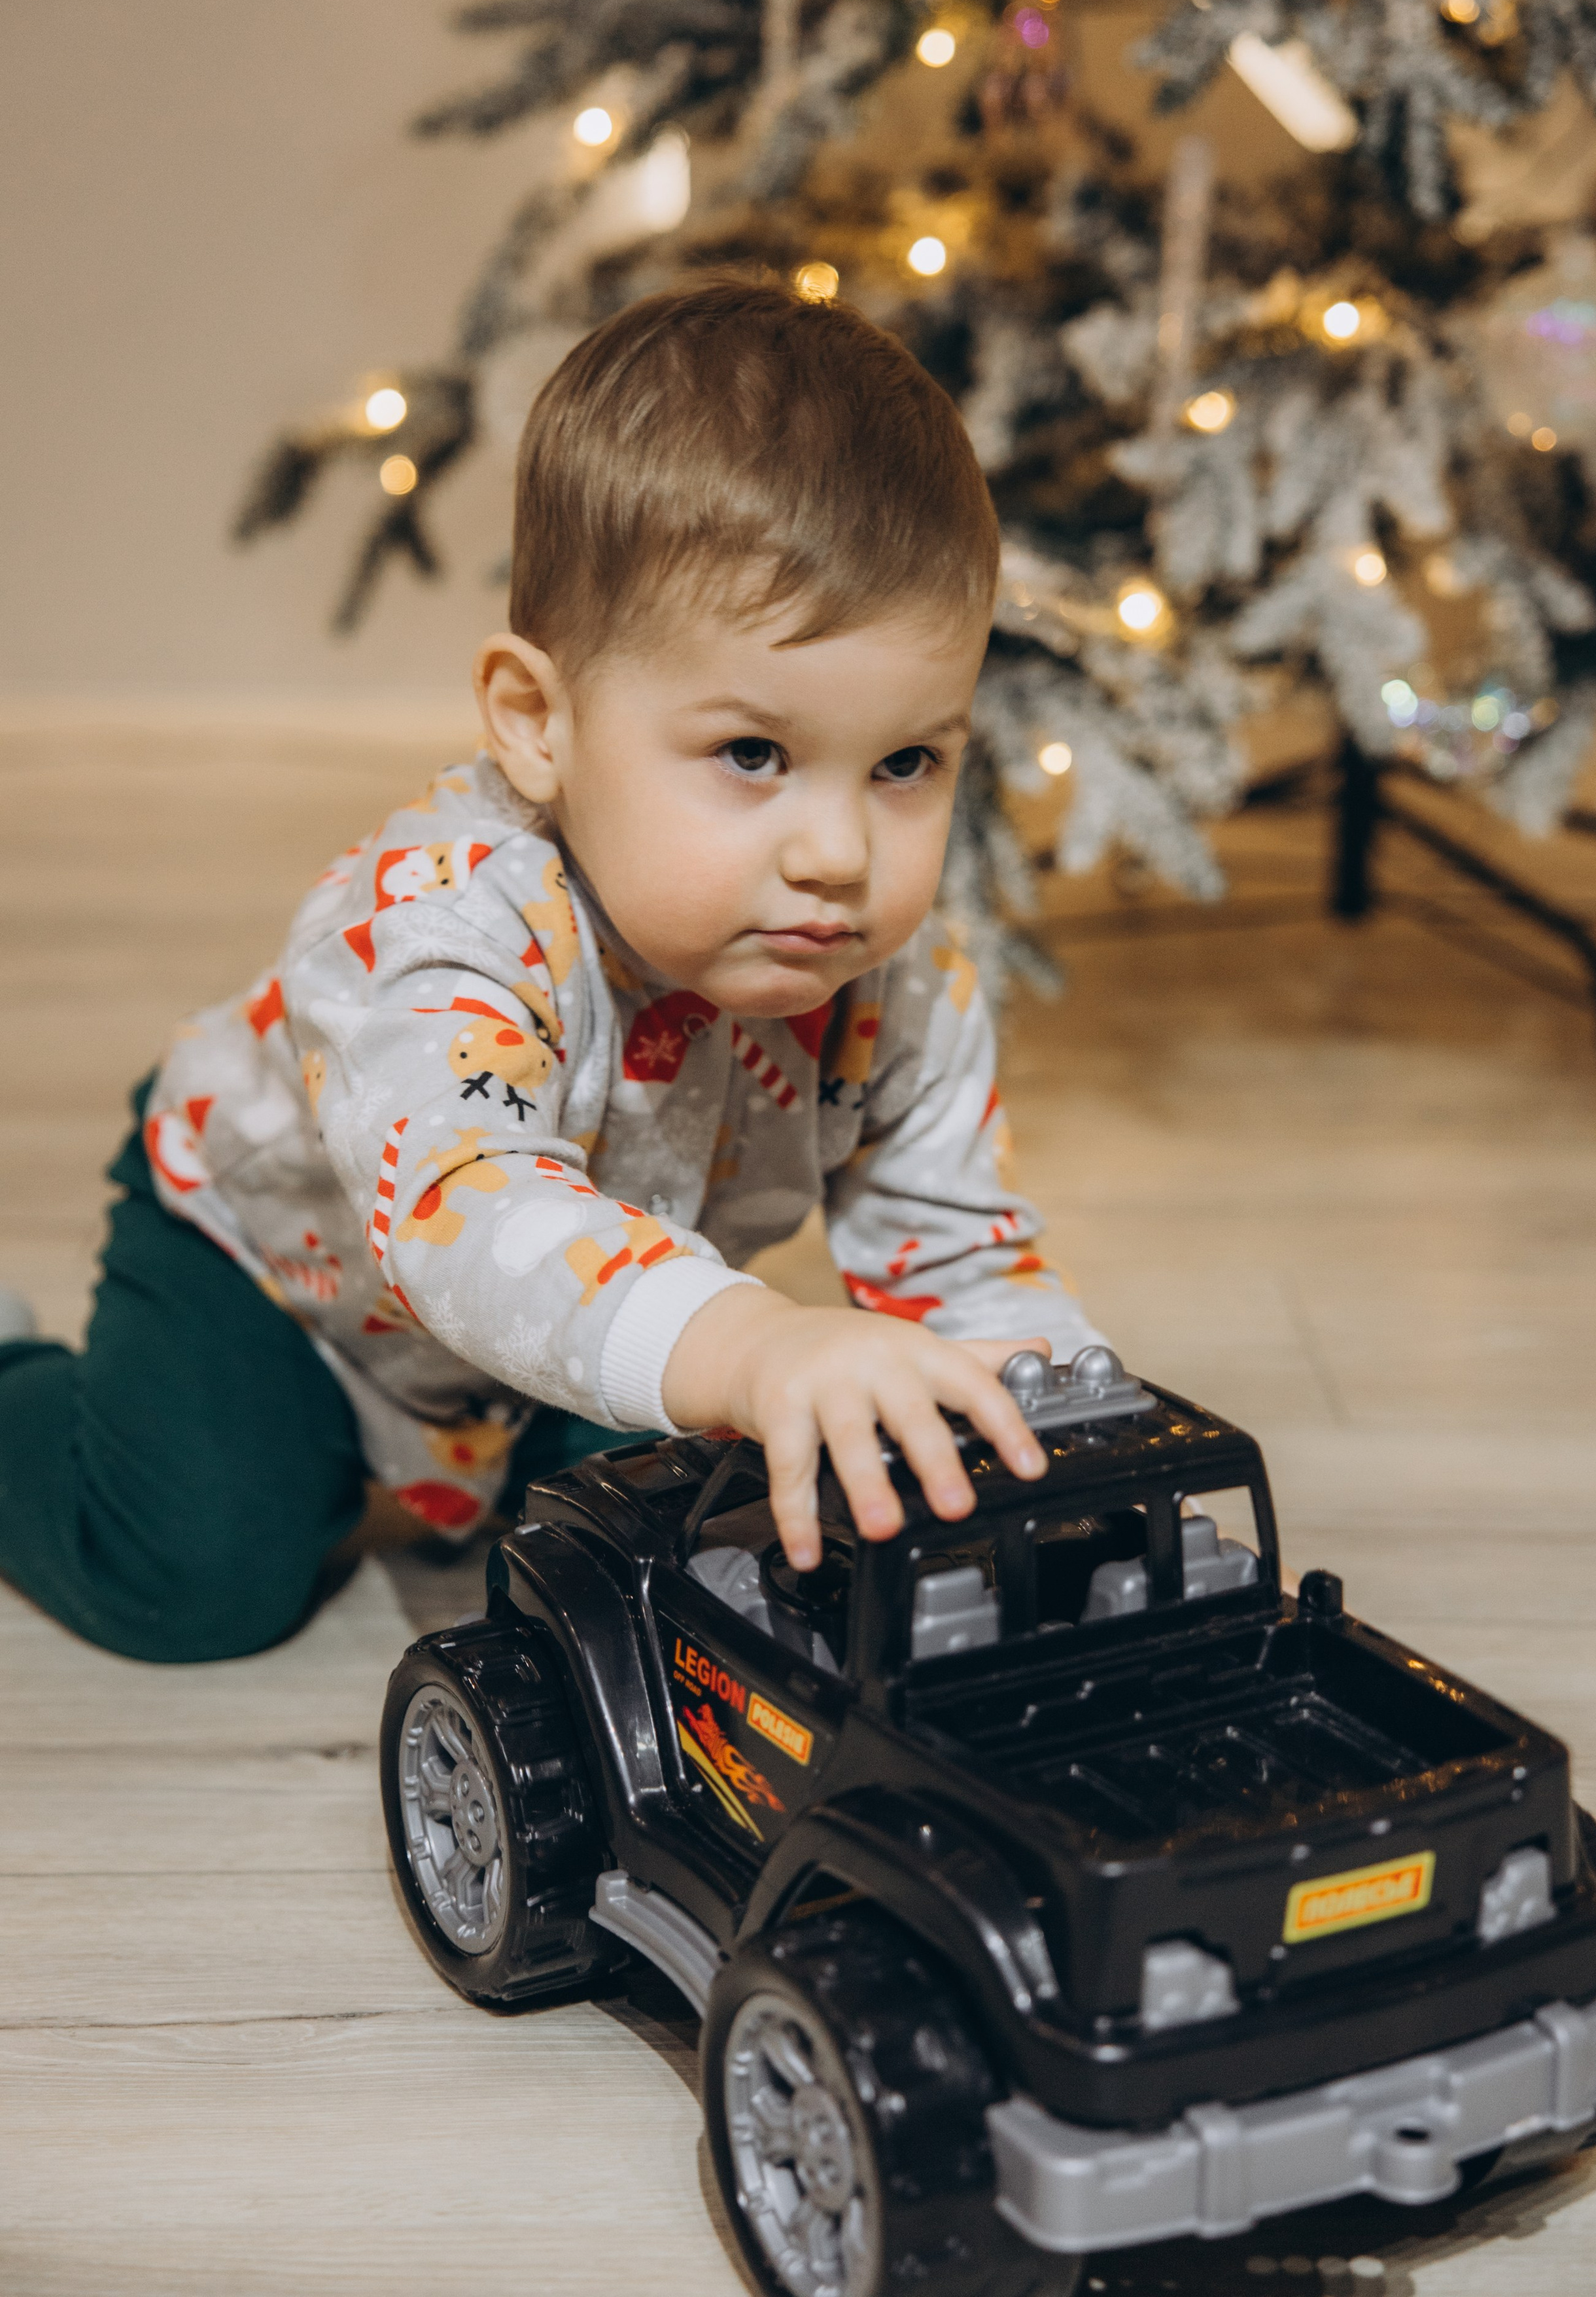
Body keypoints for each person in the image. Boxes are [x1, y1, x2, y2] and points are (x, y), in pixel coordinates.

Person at [0, 277, 1107, 1662]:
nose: (835, 852)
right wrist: (755, 1344)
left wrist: (1051, 1431)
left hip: (600, 1298)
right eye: (751, 755)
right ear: (537, 722)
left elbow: (954, 1246)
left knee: (670, 1577)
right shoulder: (446, 920)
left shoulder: (906, 984)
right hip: (280, 1272)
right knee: (191, 1577)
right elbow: (470, 1210)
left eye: (905, 764)